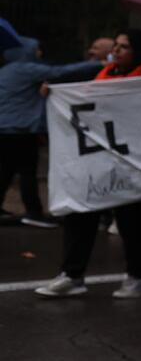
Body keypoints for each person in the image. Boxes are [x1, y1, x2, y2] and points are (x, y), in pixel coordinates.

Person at [34, 30, 141, 299]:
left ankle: (137, 277)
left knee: (130, 220)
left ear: (139, 51)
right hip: (99, 158)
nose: (117, 50)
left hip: (132, 161)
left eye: (124, 47)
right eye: (115, 45)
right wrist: (55, 90)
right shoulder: (106, 74)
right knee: (81, 209)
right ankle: (72, 275)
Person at [0, 37, 102, 228]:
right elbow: (59, 72)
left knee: (6, 170)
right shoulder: (26, 69)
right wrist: (96, 64)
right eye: (36, 49)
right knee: (27, 170)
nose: (40, 53)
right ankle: (33, 212)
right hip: (20, 129)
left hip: (5, 129)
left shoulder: (7, 71)